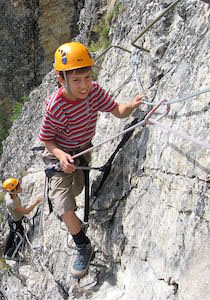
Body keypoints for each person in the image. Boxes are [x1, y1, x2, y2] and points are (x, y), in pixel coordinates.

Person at [38, 41, 143, 279]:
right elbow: (46, 139)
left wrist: (134, 106)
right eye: (76, 80)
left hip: (82, 151)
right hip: (60, 154)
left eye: (87, 77)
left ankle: (74, 221)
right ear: (61, 79)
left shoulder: (94, 92)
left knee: (77, 189)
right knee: (63, 203)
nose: (84, 85)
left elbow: (117, 110)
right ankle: (83, 244)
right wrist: (60, 155)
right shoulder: (56, 107)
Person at [2, 178, 42, 261]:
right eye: (18, 186)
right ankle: (10, 255)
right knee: (21, 238)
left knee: (11, 234)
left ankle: (5, 252)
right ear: (13, 191)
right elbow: (26, 211)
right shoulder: (12, 202)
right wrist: (36, 202)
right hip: (16, 223)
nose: (20, 187)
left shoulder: (11, 195)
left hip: (13, 220)